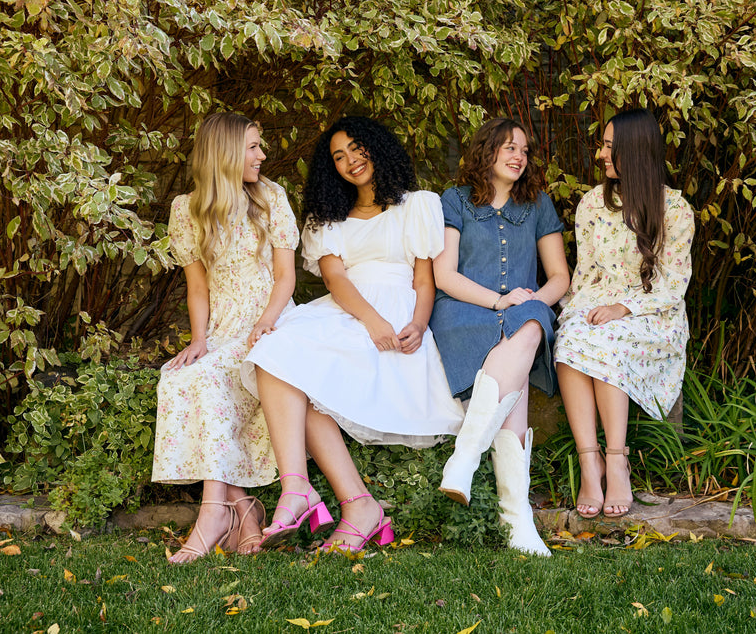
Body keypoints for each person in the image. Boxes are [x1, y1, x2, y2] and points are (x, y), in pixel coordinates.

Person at [242, 116, 464, 552]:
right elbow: (336, 280)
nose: (350, 161)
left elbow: (424, 280)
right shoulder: (329, 217)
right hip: (351, 311)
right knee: (275, 351)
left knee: (300, 374)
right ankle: (301, 488)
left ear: (378, 148)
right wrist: (370, 320)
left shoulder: (417, 204)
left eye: (357, 149)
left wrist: (417, 323)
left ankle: (356, 506)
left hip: (398, 313)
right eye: (338, 157)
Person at [152, 112, 299, 563]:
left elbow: (285, 277)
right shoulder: (186, 208)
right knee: (178, 377)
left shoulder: (271, 196)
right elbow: (197, 287)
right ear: (226, 152)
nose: (262, 155)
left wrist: (266, 322)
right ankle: (243, 510)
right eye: (253, 147)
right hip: (222, 326)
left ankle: (214, 511)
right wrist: (199, 339)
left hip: (272, 319)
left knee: (212, 380)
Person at [430, 118, 570, 557]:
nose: (518, 157)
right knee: (518, 374)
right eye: (509, 147)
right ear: (485, 151)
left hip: (524, 312)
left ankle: (465, 459)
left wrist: (532, 303)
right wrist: (498, 301)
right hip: (462, 312)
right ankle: (517, 516)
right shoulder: (453, 201)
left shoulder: (538, 204)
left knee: (532, 326)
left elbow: (559, 278)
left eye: (524, 151)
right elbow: (444, 275)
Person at [555, 108, 694, 519]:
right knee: (570, 343)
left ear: (635, 152)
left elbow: (673, 283)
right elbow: (585, 274)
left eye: (609, 147)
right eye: (602, 145)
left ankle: (617, 460)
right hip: (597, 303)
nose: (600, 154)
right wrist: (573, 314)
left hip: (653, 310)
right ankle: (589, 461)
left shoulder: (675, 209)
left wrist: (624, 307)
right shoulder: (591, 205)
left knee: (603, 342)